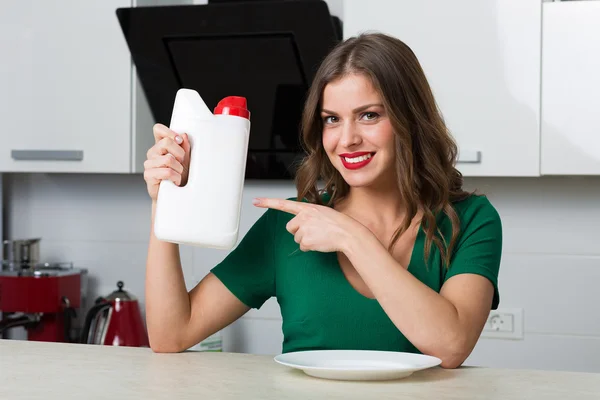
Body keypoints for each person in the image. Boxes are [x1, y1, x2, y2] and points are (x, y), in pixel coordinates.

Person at [142, 32, 502, 369]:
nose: (346, 139)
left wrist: (352, 238)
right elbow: (171, 334)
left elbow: (452, 345)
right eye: (332, 119)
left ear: (412, 118)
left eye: (369, 115)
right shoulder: (286, 225)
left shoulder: (470, 219)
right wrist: (165, 200)